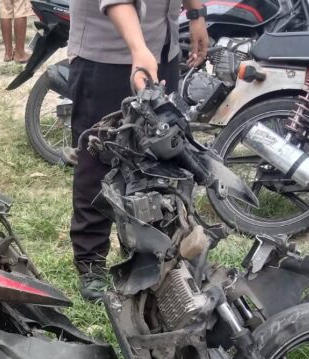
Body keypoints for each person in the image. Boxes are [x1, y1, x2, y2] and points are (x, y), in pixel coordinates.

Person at [68, 0, 209, 300]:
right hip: (108, 55)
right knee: (99, 159)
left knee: (156, 160)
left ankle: (146, 252)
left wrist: (195, 14)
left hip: (160, 50)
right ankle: (90, 261)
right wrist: (137, 49)